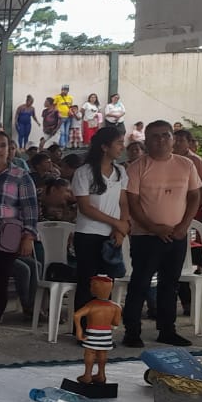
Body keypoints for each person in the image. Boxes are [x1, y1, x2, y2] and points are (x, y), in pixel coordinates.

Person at [123, 120, 202, 348]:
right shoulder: (137, 167)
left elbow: (194, 196)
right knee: (140, 283)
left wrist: (184, 226)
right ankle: (132, 332)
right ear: (146, 141)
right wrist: (152, 227)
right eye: (155, 136)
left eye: (165, 135)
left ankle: (167, 330)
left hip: (177, 235)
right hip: (145, 236)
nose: (161, 140)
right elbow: (132, 202)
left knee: (170, 285)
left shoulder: (186, 164)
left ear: (173, 139)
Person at [0, 130, 38, 346]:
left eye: (3, 145)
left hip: (6, 237)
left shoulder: (20, 175)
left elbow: (30, 208)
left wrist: (28, 236)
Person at [72, 127, 130, 320]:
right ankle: (83, 328)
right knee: (88, 283)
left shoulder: (120, 172)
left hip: (111, 235)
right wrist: (116, 223)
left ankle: (101, 326)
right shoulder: (84, 172)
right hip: (88, 234)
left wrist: (121, 228)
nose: (122, 147)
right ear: (105, 146)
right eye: (119, 143)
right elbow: (85, 207)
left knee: (106, 284)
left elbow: (123, 202)